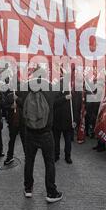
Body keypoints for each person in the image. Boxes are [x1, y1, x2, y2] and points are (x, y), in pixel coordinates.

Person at [19, 75, 63, 203]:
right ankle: (51, 192)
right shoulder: (50, 90)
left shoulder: (24, 90)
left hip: (30, 133)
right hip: (46, 133)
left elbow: (17, 100)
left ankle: (28, 189)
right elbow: (61, 89)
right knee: (49, 163)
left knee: (29, 161)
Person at [53, 88, 82, 164]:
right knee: (56, 140)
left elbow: (76, 109)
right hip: (57, 121)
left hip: (68, 122)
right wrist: (64, 98)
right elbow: (53, 103)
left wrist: (75, 120)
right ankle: (56, 155)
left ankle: (68, 156)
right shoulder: (56, 92)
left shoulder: (72, 94)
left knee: (68, 140)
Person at [3, 88, 25, 166]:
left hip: (23, 122)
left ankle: (27, 156)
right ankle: (10, 156)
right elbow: (4, 106)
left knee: (25, 141)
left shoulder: (24, 94)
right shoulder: (9, 95)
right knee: (12, 140)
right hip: (13, 122)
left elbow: (26, 105)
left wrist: (17, 99)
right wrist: (11, 107)